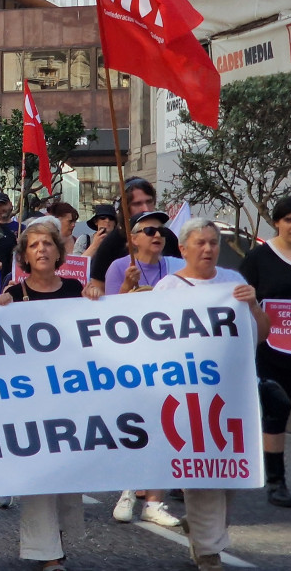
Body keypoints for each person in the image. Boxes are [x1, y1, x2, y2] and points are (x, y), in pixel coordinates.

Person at [158, 218, 270, 570]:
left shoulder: (234, 282)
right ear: (184, 248)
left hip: (234, 394)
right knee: (202, 471)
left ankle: (207, 531)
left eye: (213, 243)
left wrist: (253, 306)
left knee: (231, 472)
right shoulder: (167, 290)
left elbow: (263, 334)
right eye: (201, 243)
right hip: (189, 396)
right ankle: (208, 551)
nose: (208, 249)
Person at [0, 222, 92, 571]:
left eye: (48, 243)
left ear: (58, 251)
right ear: (25, 256)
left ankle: (56, 541)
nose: (42, 250)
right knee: (40, 477)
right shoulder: (15, 295)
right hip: (30, 401)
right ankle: (45, 552)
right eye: (34, 246)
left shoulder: (76, 288)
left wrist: (96, 299)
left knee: (65, 476)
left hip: (70, 397)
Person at [103, 209, 184, 528]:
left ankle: (154, 501)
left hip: (166, 359)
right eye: (149, 231)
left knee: (165, 424)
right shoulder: (119, 267)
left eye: (160, 231)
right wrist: (125, 287)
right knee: (134, 426)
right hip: (130, 360)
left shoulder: (176, 268)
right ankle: (126, 491)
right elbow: (108, 318)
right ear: (133, 239)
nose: (157, 235)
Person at [240, 195, 291, 508]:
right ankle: (276, 481)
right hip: (271, 352)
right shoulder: (257, 259)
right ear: (276, 222)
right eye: (288, 220)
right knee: (275, 415)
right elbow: (240, 300)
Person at [87, 178, 180, 289]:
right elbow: (98, 287)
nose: (145, 208)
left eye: (149, 202)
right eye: (137, 204)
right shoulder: (111, 244)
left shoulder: (167, 236)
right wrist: (125, 288)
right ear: (125, 208)